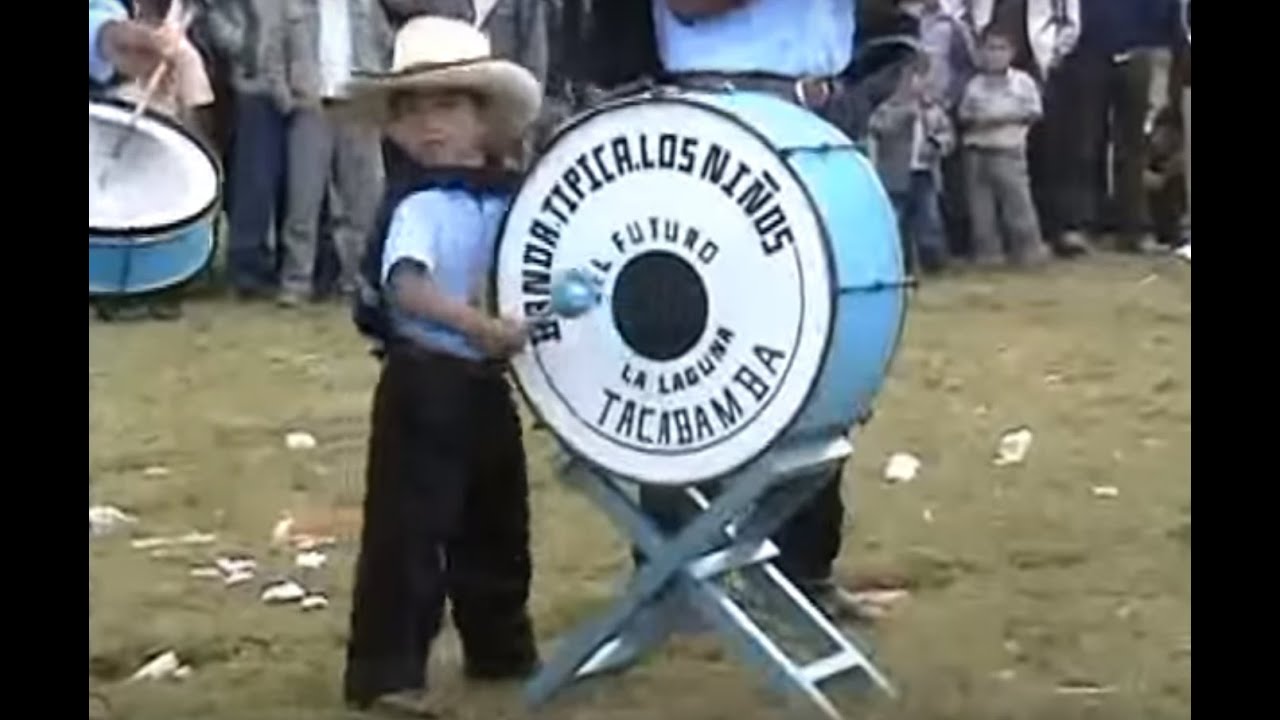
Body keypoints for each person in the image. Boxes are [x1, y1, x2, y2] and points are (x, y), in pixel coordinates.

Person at [337, 16, 543, 717]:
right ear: (393, 128)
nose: (430, 125)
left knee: (497, 522)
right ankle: (387, 672)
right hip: (426, 381)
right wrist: (479, 327)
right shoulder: (420, 203)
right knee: (410, 531)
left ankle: (500, 649)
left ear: (487, 120)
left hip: (485, 385)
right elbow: (408, 287)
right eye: (414, 109)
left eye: (449, 105)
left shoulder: (508, 195)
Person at [94, 0, 217, 323]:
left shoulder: (183, 53)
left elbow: (197, 112)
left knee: (156, 222)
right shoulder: (123, 28)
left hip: (163, 144)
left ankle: (163, 291)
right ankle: (110, 292)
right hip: (119, 135)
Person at [277, 0, 392, 307]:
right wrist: (288, 98)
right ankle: (296, 282)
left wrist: (377, 93)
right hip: (311, 109)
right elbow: (274, 53)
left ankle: (358, 282)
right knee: (303, 200)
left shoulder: (367, 7)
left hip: (358, 107)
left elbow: (387, 48)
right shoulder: (295, 8)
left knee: (364, 202)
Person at [1050, 0, 1181, 255]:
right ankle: (1079, 225)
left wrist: (1164, 46)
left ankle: (1136, 229)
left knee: (1133, 147)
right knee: (1084, 143)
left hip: (1139, 53)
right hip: (1085, 53)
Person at [206, 0, 291, 299]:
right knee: (256, 178)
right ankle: (247, 268)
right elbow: (216, 17)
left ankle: (295, 264)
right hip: (256, 88)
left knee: (297, 181)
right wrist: (250, 50)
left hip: (303, 84)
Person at [958, 28, 1049, 266]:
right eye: (989, 48)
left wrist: (1004, 116)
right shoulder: (974, 85)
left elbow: (1035, 111)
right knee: (981, 209)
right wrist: (977, 119)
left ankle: (1028, 250)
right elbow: (964, 114)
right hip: (977, 151)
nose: (995, 55)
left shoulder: (1022, 82)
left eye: (1001, 49)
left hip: (1008, 151)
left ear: (1012, 53)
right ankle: (988, 253)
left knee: (1017, 203)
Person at [870, 52, 955, 274]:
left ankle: (934, 263)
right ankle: (900, 264)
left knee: (929, 220)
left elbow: (948, 135)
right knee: (897, 222)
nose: (914, 83)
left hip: (924, 173)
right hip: (894, 175)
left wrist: (936, 144)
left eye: (920, 77)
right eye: (909, 77)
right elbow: (878, 129)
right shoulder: (886, 109)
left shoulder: (932, 110)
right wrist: (902, 117)